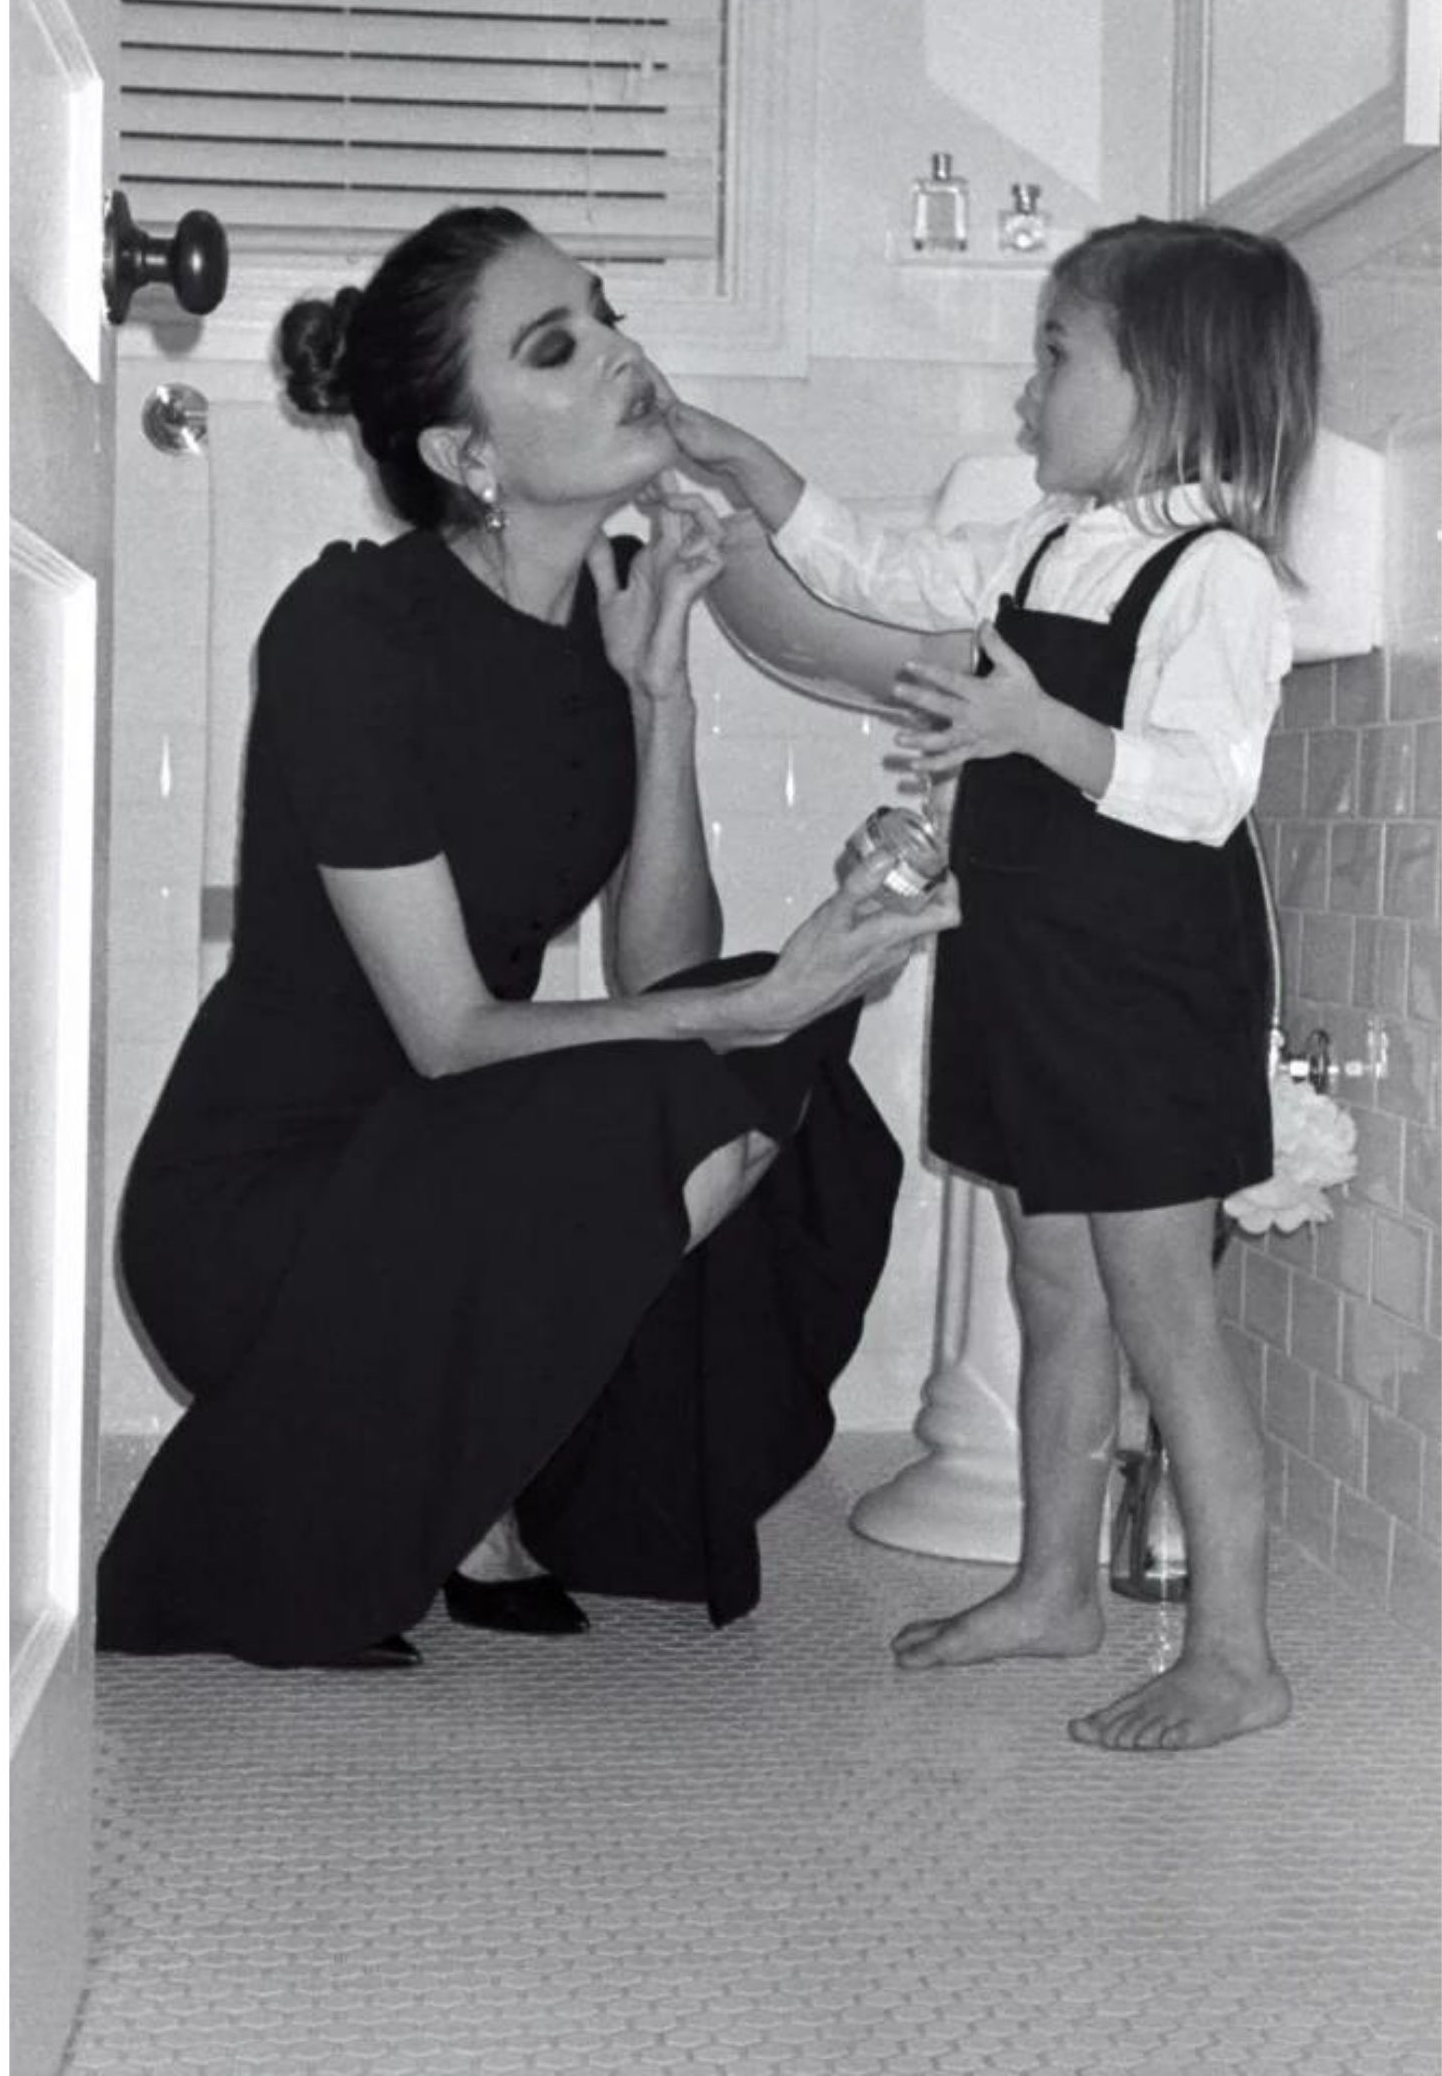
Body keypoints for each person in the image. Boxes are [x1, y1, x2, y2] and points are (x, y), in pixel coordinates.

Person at [95, 205, 958, 1670]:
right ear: (467, 454)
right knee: (730, 1041)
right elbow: (448, 1034)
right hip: (275, 1201)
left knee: (761, 1043)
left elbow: (662, 972)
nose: (620, 352)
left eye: (607, 315)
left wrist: (657, 694)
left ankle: (497, 1457)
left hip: (455, 1154)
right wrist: (745, 1011)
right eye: (557, 346)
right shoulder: (350, 630)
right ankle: (406, 1478)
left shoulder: (603, 614)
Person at [668, 217, 1317, 1751]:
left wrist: (1033, 732)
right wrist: (762, 473)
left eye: (1056, 355)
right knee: (1052, 1289)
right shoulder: (1044, 542)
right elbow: (888, 572)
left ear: (1166, 385)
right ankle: (1053, 1586)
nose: (1029, 392)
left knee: (1164, 1315)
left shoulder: (1219, 576)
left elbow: (1202, 788)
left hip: (1148, 1001)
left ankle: (1236, 1653)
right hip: (1033, 978)